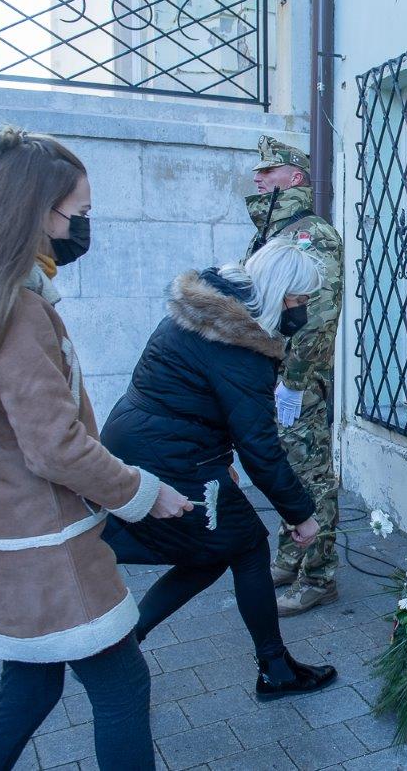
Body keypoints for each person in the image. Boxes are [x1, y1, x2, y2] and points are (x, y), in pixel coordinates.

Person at [0, 128, 193, 771]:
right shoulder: (14, 309)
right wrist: (144, 495)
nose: (85, 227)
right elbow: (54, 446)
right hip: (49, 549)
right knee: (123, 688)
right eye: (81, 213)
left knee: (30, 688)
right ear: (36, 213)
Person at [99, 237, 337, 698]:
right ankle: (274, 669)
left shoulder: (210, 315)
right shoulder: (241, 348)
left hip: (154, 443)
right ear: (275, 294)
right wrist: (301, 514)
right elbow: (260, 446)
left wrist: (220, 463)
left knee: (215, 549)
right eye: (298, 299)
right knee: (245, 545)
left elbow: (198, 399)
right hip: (166, 455)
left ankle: (133, 642)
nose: (303, 310)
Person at [244, 135, 344, 616]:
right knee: (283, 474)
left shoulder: (312, 235)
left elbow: (316, 318)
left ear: (295, 178)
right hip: (271, 377)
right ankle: (289, 557)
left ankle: (320, 576)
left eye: (268, 171)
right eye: (258, 172)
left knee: (312, 479)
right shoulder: (272, 232)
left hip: (296, 384)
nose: (258, 178)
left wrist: (294, 382)